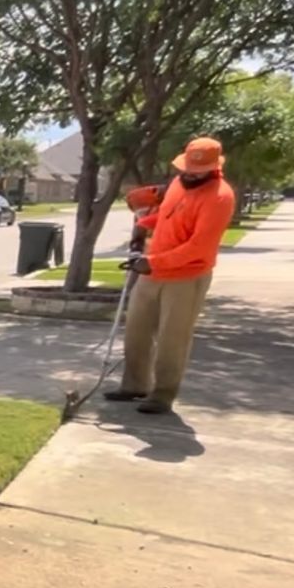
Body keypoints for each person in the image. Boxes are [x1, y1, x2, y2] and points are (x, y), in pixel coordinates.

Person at [107, 136, 236, 415]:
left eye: (197, 170)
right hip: (153, 270)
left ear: (213, 168)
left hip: (186, 276)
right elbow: (166, 215)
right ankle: (134, 385)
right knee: (136, 329)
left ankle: (162, 395)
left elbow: (199, 246)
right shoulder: (178, 185)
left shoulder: (219, 197)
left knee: (172, 337)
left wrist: (153, 261)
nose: (190, 173)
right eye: (187, 167)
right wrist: (143, 225)